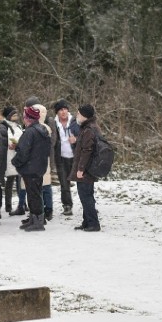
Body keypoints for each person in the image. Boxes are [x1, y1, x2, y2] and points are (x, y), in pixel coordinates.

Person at [11, 105, 50, 232]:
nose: (23, 119)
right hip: (39, 167)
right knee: (36, 194)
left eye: (24, 117)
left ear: (28, 118)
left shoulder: (30, 131)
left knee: (33, 195)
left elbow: (23, 151)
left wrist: (15, 162)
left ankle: (37, 222)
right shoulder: (43, 129)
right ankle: (35, 219)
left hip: (30, 168)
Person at [71, 104, 102, 232]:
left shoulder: (88, 130)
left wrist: (80, 169)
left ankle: (93, 223)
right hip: (89, 169)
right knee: (87, 195)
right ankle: (87, 221)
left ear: (84, 116)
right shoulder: (90, 128)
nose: (76, 115)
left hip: (86, 170)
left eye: (78, 113)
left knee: (86, 197)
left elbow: (86, 151)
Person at [52, 99, 78, 216]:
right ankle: (67, 206)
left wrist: (76, 139)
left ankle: (89, 204)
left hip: (76, 156)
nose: (63, 112)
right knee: (64, 183)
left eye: (65, 109)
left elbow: (85, 135)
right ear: (57, 112)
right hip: (61, 157)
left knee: (83, 182)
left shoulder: (75, 121)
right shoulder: (53, 123)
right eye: (61, 110)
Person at [2, 106, 26, 216]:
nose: (16, 116)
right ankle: (8, 204)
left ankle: (22, 204)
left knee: (21, 182)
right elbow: (4, 139)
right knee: (10, 182)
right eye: (13, 114)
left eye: (16, 114)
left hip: (19, 155)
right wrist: (10, 144)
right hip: (9, 155)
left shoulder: (19, 126)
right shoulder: (4, 126)